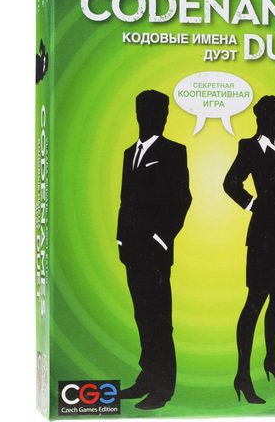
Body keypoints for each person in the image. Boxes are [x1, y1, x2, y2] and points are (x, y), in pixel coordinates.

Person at [223, 95, 275, 404]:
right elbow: (230, 183)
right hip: (264, 237)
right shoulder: (250, 147)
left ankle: (271, 361)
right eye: (265, 116)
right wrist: (253, 205)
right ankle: (243, 375)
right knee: (255, 302)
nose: (268, 121)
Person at [117, 90, 192, 410]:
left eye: (163, 112)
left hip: (156, 251)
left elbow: (183, 198)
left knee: (160, 319)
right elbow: (125, 199)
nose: (159, 118)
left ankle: (163, 388)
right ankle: (147, 377)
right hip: (132, 248)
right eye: (152, 112)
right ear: (139, 114)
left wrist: (162, 238)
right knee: (142, 316)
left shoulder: (174, 151)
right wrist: (120, 239)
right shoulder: (128, 153)